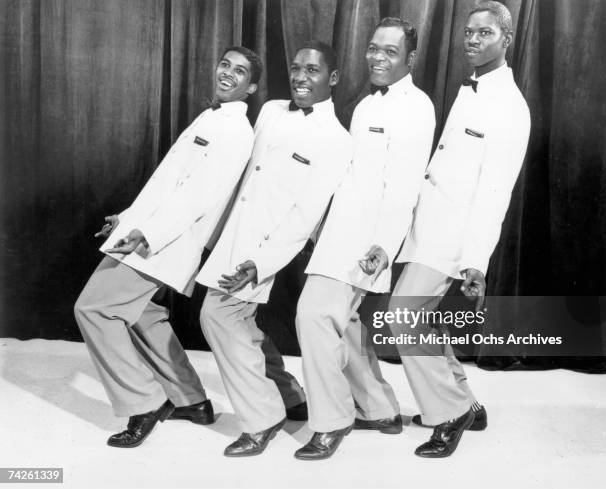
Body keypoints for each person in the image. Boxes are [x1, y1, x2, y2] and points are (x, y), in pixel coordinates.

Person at [74, 47, 270, 448]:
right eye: (225, 64)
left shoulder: (234, 130)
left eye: (241, 72)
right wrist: (129, 218)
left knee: (93, 309)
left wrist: (146, 234)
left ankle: (144, 401)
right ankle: (191, 400)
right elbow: (171, 184)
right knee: (143, 313)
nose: (228, 73)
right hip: (151, 233)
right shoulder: (212, 117)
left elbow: (197, 196)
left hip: (164, 242)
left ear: (251, 87)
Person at [196, 41, 352, 457]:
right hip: (234, 233)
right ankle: (289, 395)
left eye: (313, 71)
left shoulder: (336, 139)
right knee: (239, 322)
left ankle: (262, 418)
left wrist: (259, 262)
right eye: (296, 68)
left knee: (218, 315)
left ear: (332, 78)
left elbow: (306, 214)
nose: (301, 77)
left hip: (272, 246)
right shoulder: (269, 111)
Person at [390, 1, 531, 458]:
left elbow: (495, 193)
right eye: (468, 32)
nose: (472, 40)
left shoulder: (510, 106)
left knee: (404, 317)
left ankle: (450, 413)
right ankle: (467, 402)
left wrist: (475, 259)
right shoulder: (471, 88)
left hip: (454, 238)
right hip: (428, 227)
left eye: (484, 34)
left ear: (506, 40)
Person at [293, 17, 436, 460]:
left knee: (314, 316)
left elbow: (406, 187)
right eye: (374, 48)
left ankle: (333, 420)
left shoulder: (417, 107)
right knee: (347, 325)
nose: (377, 57)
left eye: (390, 51)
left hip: (366, 242)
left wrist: (382, 245)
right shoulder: (368, 104)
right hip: (338, 232)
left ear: (410, 59)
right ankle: (379, 408)